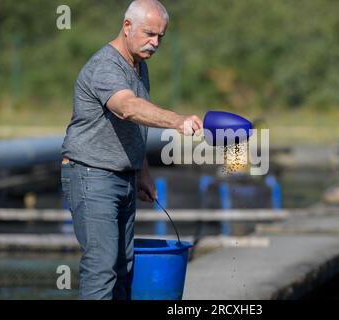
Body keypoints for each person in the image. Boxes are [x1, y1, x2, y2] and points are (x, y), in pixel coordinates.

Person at [61, 0, 203, 300]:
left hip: (125, 176)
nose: (155, 43)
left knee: (124, 267)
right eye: (149, 33)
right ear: (127, 27)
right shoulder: (105, 65)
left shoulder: (139, 66)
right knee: (102, 269)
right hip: (92, 175)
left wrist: (143, 173)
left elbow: (133, 128)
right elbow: (127, 108)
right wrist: (177, 120)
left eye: (160, 37)